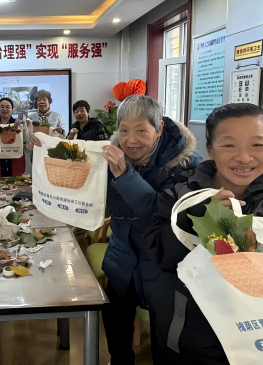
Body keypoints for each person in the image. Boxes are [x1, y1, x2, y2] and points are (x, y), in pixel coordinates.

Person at [145, 103, 263, 364]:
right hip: (193, 341)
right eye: (229, 145)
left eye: (257, 145)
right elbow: (159, 255)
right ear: (210, 149)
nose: (244, 157)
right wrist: (193, 219)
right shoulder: (178, 196)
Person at [100, 95, 202, 365]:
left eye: (141, 131)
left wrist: (125, 176)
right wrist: (48, 150)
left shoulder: (185, 164)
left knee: (165, 334)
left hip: (164, 264)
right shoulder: (111, 156)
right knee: (115, 319)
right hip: (121, 256)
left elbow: (163, 216)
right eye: (124, 130)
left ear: (158, 129)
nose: (131, 140)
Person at [0, 98, 30, 177]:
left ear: (12, 109)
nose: (5, 109)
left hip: (16, 161)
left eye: (8, 107)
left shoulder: (19, 124)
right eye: (2, 107)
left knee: (16, 182)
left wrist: (23, 125)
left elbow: (26, 139)